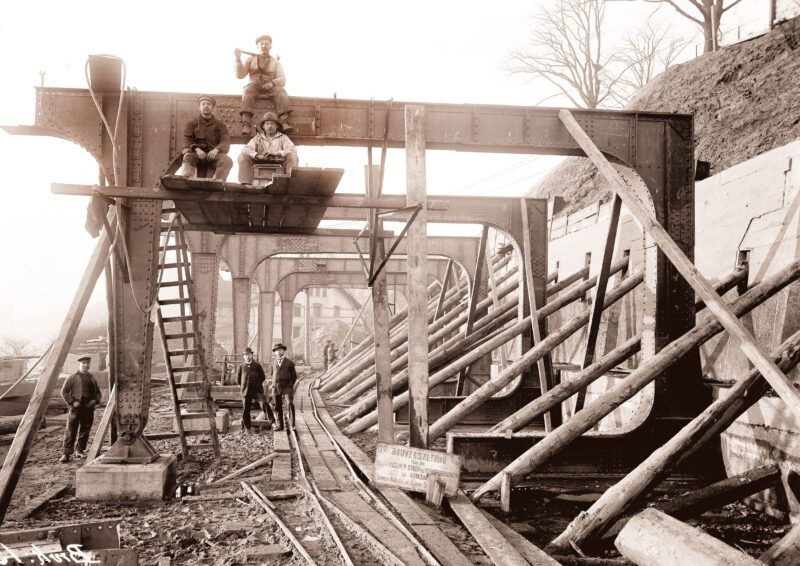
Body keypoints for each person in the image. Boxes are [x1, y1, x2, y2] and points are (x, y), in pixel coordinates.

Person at [234, 34, 293, 135]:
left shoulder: (276, 62)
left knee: (281, 92)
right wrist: (238, 60)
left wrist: (272, 83)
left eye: (267, 44)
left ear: (270, 47)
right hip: (254, 86)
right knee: (247, 91)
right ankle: (246, 124)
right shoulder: (250, 59)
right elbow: (240, 75)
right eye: (262, 44)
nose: (264, 46)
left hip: (270, 87)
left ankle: (284, 122)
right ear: (258, 46)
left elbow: (282, 79)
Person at [176, 95, 233, 181]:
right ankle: (186, 179)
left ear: (212, 107)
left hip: (213, 155)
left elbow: (225, 141)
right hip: (197, 154)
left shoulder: (220, 125)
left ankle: (217, 182)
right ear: (199, 107)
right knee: (188, 157)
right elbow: (187, 140)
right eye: (203, 104)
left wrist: (216, 150)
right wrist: (197, 150)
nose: (206, 106)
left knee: (227, 161)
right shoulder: (192, 123)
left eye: (208, 104)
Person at [59, 355, 102, 463]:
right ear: (79, 364)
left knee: (85, 430)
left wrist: (95, 401)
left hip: (88, 407)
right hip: (76, 408)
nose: (86, 365)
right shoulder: (72, 377)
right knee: (71, 430)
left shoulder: (92, 378)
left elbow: (98, 392)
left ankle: (80, 451)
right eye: (84, 363)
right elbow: (64, 392)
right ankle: (66, 454)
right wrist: (73, 402)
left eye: (88, 363)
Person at [238, 111, 299, 185]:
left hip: (279, 161)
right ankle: (245, 184)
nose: (270, 126)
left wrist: (277, 153)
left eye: (272, 124)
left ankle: (291, 183)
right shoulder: (257, 138)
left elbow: (293, 149)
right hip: (261, 160)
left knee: (293, 156)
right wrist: (257, 155)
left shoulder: (283, 137)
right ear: (263, 126)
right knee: (242, 156)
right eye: (267, 124)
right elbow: (245, 150)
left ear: (277, 126)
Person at [236, 347, 274, 434]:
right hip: (246, 391)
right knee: (246, 409)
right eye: (245, 355)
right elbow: (237, 379)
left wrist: (256, 384)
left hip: (257, 391)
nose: (247, 356)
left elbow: (262, 377)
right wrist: (244, 386)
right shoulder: (241, 367)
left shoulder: (257, 365)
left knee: (264, 404)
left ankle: (273, 422)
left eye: (249, 355)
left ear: (252, 355)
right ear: (243, 356)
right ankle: (248, 428)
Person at [269, 343, 297, 431]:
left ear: (283, 351)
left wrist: (290, 384)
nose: (279, 352)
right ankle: (280, 425)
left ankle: (292, 424)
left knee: (290, 403)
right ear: (274, 352)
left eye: (280, 350)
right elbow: (271, 374)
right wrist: (274, 383)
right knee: (277, 406)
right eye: (277, 351)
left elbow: (294, 376)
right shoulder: (272, 363)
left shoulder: (289, 363)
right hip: (276, 387)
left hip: (287, 386)